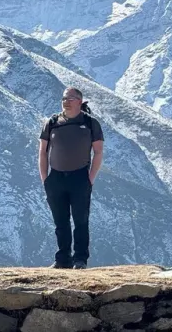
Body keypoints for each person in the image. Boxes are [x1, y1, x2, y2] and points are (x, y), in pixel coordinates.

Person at [39, 87, 104, 269]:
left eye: (70, 98)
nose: (65, 101)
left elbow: (98, 152)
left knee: (81, 221)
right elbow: (42, 153)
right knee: (60, 221)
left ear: (79, 101)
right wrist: (46, 179)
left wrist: (90, 179)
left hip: (80, 178)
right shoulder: (51, 122)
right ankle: (62, 259)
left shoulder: (91, 123)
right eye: (63, 98)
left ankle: (80, 259)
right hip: (56, 178)